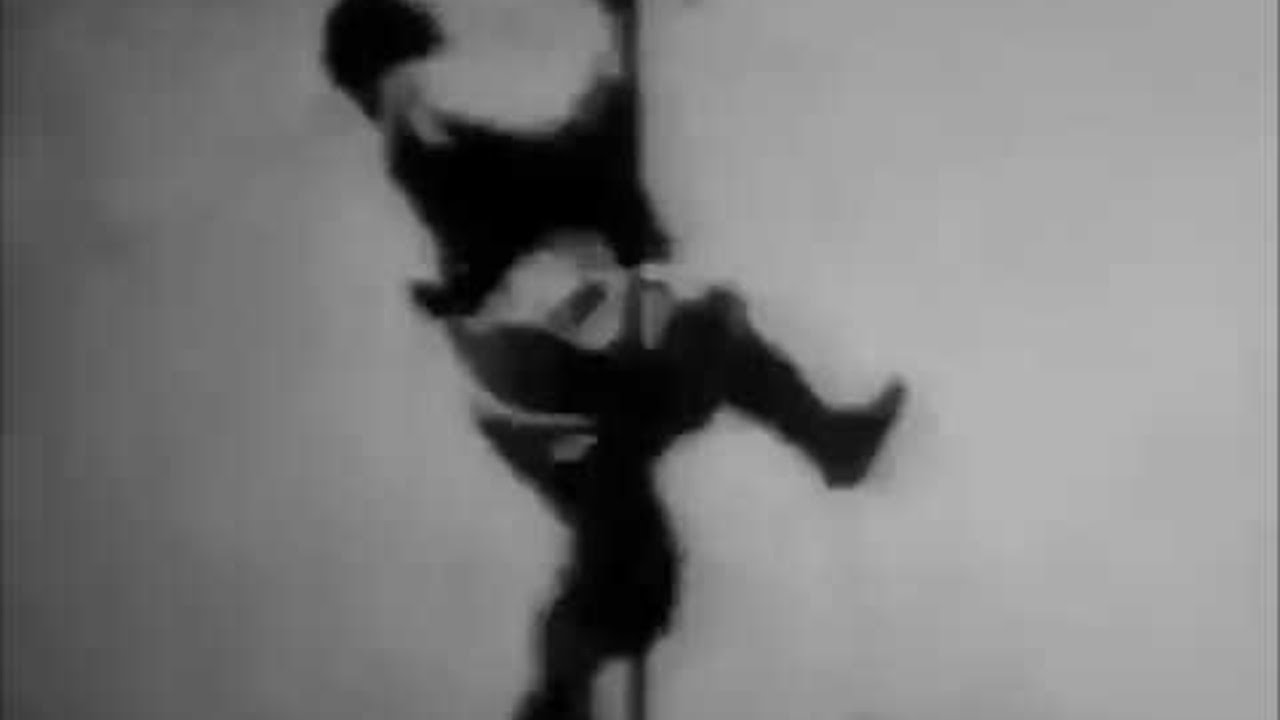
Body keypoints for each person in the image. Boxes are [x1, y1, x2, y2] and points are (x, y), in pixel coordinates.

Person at [321, 1, 907, 717]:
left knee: (705, 360)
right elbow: (555, 196)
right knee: (636, 569)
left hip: (561, 384)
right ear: (386, 78)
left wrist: (609, 88)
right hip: (552, 402)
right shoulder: (427, 145)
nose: (424, 77)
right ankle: (558, 699)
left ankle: (833, 445)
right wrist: (608, 94)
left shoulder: (431, 143)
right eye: (405, 67)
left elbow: (561, 181)